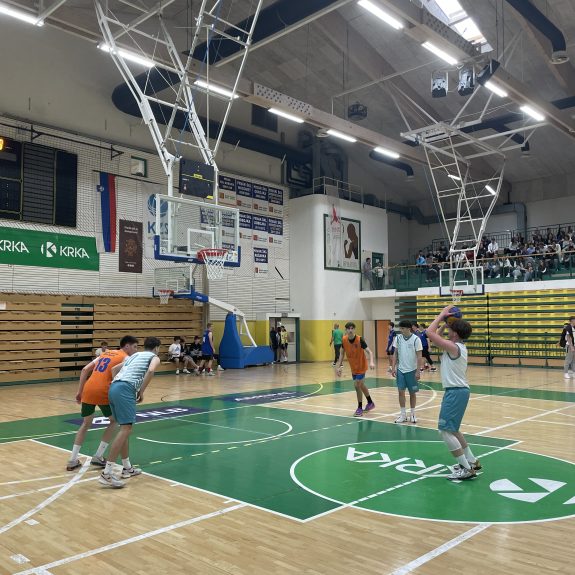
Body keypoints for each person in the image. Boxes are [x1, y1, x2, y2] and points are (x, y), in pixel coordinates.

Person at [67, 335, 139, 471]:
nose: (136, 350)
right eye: (135, 347)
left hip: (88, 389)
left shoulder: (106, 353)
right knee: (114, 421)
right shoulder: (126, 358)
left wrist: (79, 391)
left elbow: (85, 370)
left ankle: (72, 460)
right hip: (103, 390)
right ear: (127, 346)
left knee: (85, 424)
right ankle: (98, 455)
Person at [100, 336, 161, 488]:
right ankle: (107, 473)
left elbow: (114, 369)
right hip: (125, 389)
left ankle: (127, 467)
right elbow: (151, 370)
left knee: (124, 429)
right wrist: (141, 391)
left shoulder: (135, 355)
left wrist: (118, 385)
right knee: (126, 429)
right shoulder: (154, 357)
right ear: (156, 348)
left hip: (114, 387)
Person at [426, 306, 479, 481]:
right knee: (453, 430)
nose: (447, 330)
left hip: (455, 392)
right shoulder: (457, 347)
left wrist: (441, 315)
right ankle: (472, 461)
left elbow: (429, 333)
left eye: (450, 329)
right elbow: (436, 338)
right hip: (459, 391)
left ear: (455, 333)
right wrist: (444, 324)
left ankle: (465, 468)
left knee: (445, 431)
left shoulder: (453, 347)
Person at [336, 322, 376, 417]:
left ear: (354, 329)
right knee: (361, 385)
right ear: (346, 330)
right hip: (353, 367)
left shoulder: (360, 339)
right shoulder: (344, 340)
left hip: (361, 366)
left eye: (352, 328)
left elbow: (370, 352)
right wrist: (339, 366)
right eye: (348, 329)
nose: (350, 330)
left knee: (357, 385)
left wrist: (371, 362)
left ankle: (359, 408)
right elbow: (342, 353)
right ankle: (370, 403)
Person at [392, 320, 423, 424]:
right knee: (400, 392)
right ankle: (403, 415)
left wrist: (418, 371)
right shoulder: (398, 338)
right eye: (400, 328)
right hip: (401, 370)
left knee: (412, 393)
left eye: (402, 328)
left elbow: (419, 356)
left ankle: (413, 414)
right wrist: (393, 367)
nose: (401, 330)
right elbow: (395, 353)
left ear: (408, 328)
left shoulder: (416, 339)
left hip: (412, 370)